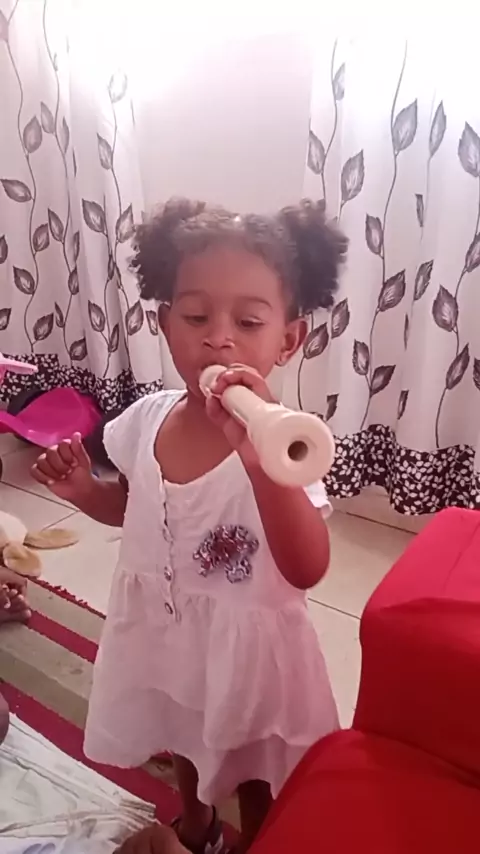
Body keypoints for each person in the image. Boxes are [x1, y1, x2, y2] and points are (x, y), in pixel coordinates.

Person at [32, 198, 347, 854]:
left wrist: (261, 467)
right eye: (196, 316)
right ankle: (199, 826)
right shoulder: (145, 420)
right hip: (168, 632)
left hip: (247, 656)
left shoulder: (282, 444)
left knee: (252, 765)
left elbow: (306, 567)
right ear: (164, 322)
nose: (219, 338)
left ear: (288, 339)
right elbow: (136, 512)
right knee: (182, 730)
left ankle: (258, 838)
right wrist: (84, 491)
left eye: (249, 321)